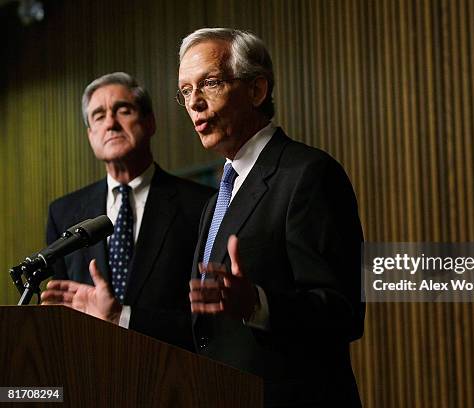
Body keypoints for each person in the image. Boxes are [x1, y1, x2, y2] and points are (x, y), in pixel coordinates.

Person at [179, 28, 365, 406]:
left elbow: (343, 310)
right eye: (185, 91)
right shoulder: (215, 202)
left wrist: (257, 304)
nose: (194, 103)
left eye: (209, 83)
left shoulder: (307, 173)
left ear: (257, 90)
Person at [41, 72, 215, 350]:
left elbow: (208, 323)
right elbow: (61, 310)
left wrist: (123, 317)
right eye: (98, 116)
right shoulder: (63, 212)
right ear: (90, 135)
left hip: (173, 376)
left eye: (123, 110)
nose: (110, 123)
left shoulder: (202, 204)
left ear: (149, 122)